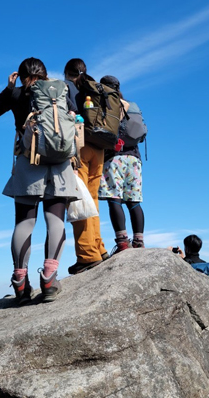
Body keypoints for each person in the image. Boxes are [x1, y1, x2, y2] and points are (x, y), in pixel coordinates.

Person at [0, 58, 81, 304]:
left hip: (29, 161)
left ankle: (20, 283)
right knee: (55, 219)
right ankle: (49, 279)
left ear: (22, 73)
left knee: (25, 222)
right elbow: (75, 117)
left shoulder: (17, 94)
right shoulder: (60, 91)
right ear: (45, 73)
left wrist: (9, 88)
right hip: (60, 163)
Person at [64, 59, 109, 274]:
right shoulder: (92, 87)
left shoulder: (67, 87)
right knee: (93, 201)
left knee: (79, 201)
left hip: (80, 147)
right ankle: (99, 247)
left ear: (67, 72)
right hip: (99, 148)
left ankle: (86, 255)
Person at [97, 75, 145, 252]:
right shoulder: (131, 105)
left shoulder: (106, 105)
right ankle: (139, 241)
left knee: (114, 200)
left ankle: (123, 242)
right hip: (134, 158)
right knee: (134, 201)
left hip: (114, 157)